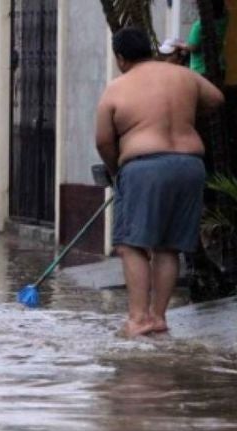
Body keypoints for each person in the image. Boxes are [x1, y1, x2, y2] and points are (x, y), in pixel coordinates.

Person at [95, 27, 224, 338]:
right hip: (190, 166)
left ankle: (138, 319)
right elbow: (217, 99)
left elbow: (103, 141)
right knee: (168, 246)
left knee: (131, 245)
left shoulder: (117, 88)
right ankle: (158, 317)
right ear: (150, 50)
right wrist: (186, 114)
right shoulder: (183, 76)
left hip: (145, 167)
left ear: (120, 58)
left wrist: (117, 171)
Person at [182, 0, 228, 76]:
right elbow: (225, 9)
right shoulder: (224, 20)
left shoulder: (198, 26)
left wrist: (179, 44)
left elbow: (193, 47)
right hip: (219, 66)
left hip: (201, 69)